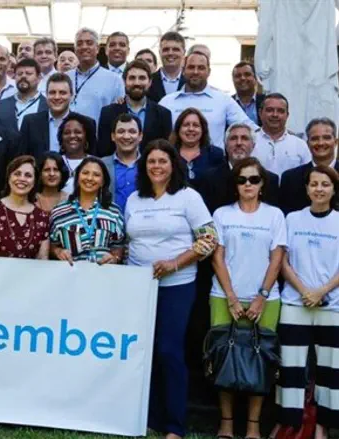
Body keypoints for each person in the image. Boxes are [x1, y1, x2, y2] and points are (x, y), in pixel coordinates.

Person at [125, 139, 217, 439]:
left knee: (169, 350)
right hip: (139, 286)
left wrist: (175, 263)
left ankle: (175, 426)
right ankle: (149, 418)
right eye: (151, 161)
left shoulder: (188, 197)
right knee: (144, 351)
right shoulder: (134, 199)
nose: (156, 166)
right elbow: (128, 242)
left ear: (173, 164)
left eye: (162, 161)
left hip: (177, 285)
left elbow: (208, 239)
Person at [210, 157, 285, 439]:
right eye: (242, 180)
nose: (248, 185)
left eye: (253, 179)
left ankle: (253, 426)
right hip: (223, 295)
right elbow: (217, 257)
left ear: (262, 184)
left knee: (260, 361)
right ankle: (226, 423)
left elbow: (277, 257)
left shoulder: (275, 216)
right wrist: (231, 297)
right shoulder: (222, 214)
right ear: (235, 185)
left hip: (265, 299)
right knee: (224, 357)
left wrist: (261, 297)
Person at [276, 166, 339, 439]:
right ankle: (290, 425)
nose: (319, 189)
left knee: (330, 370)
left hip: (332, 305)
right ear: (306, 188)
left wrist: (322, 290)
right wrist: (304, 291)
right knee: (290, 369)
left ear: (334, 189)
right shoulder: (292, 219)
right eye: (314, 184)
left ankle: (322, 428)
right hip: (295, 303)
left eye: (325, 184)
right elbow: (283, 261)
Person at [160, 52, 255, 149]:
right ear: (183, 71)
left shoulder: (223, 100)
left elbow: (250, 128)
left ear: (208, 72)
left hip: (214, 162)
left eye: (201, 68)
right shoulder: (167, 102)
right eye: (191, 67)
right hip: (176, 162)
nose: (196, 72)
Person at [50, 156, 125, 264]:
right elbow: (52, 245)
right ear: (77, 177)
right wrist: (58, 251)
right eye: (85, 173)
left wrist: (114, 258)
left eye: (96, 175)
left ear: (103, 182)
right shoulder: (59, 212)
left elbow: (119, 246)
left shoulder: (114, 212)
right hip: (71, 275)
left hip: (104, 275)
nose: (89, 178)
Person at [0, 155, 49, 259]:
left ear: (34, 181)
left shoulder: (42, 217)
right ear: (9, 177)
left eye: (28, 175)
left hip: (30, 275)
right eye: (17, 174)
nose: (22, 179)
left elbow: (42, 260)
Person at [196, 122, 280, 214]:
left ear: (253, 145)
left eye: (244, 138)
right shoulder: (208, 179)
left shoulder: (270, 180)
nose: (239, 143)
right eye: (233, 138)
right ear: (225, 145)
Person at [97, 60, 173, 158]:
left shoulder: (163, 114)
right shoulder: (108, 113)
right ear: (124, 81)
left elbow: (165, 152)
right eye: (132, 78)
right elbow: (104, 151)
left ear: (150, 82)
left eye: (142, 78)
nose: (137, 83)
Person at [20, 73, 97, 159]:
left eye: (62, 93)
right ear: (46, 95)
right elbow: (23, 159)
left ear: (72, 96)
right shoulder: (30, 122)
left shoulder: (86, 123)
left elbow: (92, 160)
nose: (57, 97)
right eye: (52, 93)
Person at [280, 117, 339, 215]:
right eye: (315, 138)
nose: (320, 143)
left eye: (326, 138)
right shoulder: (290, 179)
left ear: (336, 142)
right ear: (307, 144)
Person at [66, 28, 125, 124]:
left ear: (97, 48)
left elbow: (119, 116)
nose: (84, 47)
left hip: (99, 137)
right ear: (75, 49)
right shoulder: (65, 78)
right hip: (68, 136)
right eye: (79, 43)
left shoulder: (114, 80)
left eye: (89, 43)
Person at [251, 93, 311, 177]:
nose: (275, 115)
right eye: (270, 110)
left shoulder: (300, 145)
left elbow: (309, 175)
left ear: (287, 115)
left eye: (280, 111)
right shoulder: (250, 142)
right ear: (260, 113)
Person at [100, 113, 143, 213]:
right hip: (109, 224)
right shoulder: (101, 165)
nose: (126, 136)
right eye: (121, 131)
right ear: (113, 136)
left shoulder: (150, 165)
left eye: (132, 131)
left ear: (140, 136)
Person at [170, 107, 225, 181]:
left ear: (203, 129)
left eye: (195, 125)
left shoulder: (215, 154)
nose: (191, 129)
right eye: (186, 125)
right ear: (178, 129)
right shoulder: (169, 154)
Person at [0, 58, 48, 133]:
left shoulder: (48, 106)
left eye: (28, 73)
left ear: (39, 78)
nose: (23, 76)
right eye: (19, 74)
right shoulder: (1, 106)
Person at [58, 112, 98, 184]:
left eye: (78, 132)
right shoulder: (55, 163)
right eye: (67, 133)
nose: (72, 136)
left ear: (86, 136)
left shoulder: (96, 163)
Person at [148, 32, 186, 103]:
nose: (170, 53)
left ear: (184, 52)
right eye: (166, 49)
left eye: (175, 49)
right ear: (159, 52)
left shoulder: (190, 82)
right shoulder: (148, 81)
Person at [231, 61, 264, 126]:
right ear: (233, 80)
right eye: (238, 76)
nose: (242, 78)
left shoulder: (265, 101)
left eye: (247, 74)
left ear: (255, 79)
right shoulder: (227, 102)